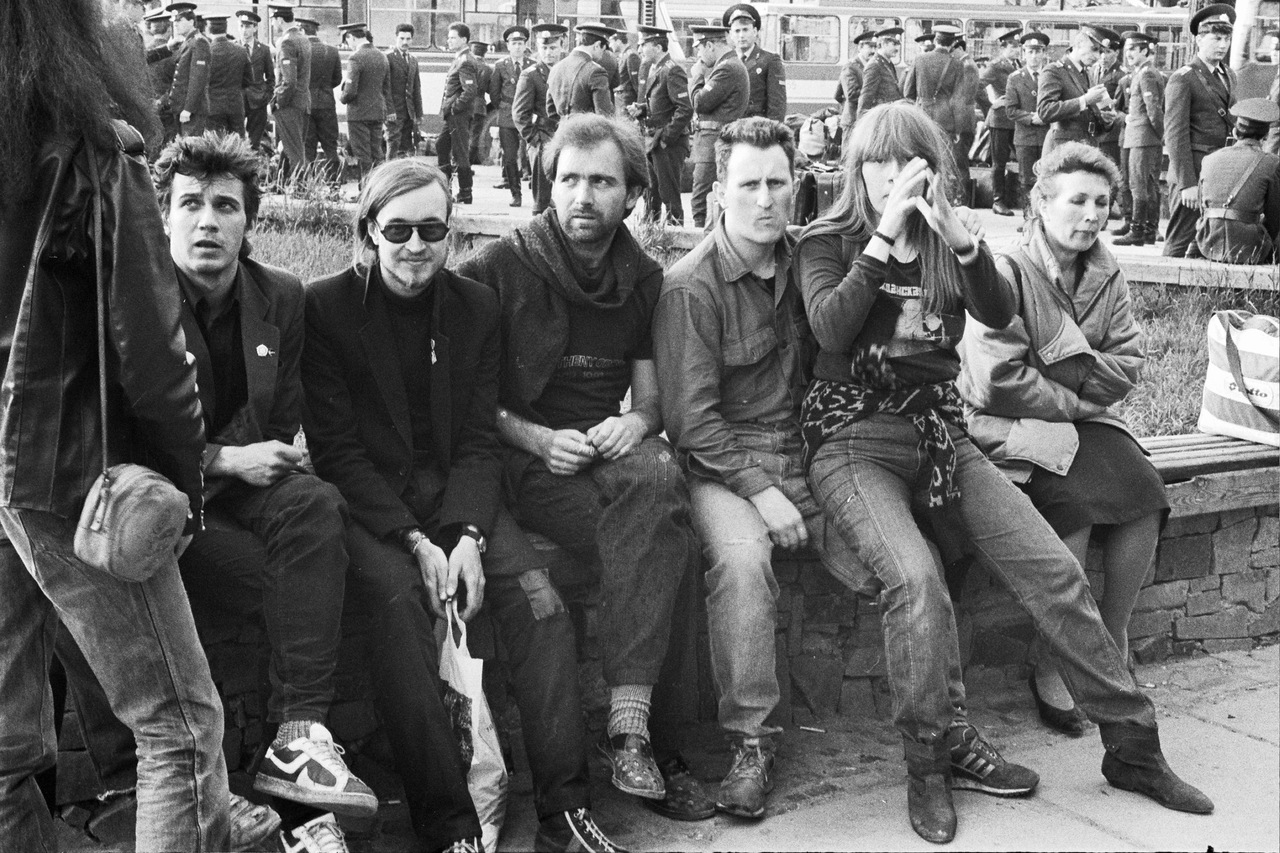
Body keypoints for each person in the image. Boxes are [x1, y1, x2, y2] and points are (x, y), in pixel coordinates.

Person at [793, 101, 1212, 844]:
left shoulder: (943, 242)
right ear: (858, 169)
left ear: (933, 170)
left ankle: (1134, 749)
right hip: (852, 439)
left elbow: (994, 307)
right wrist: (884, 234)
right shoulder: (828, 240)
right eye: (878, 162)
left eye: (910, 162)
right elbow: (831, 326)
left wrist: (961, 243)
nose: (893, 175)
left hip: (940, 432)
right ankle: (930, 763)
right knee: (915, 581)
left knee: (1055, 571)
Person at [303, 157, 628, 853]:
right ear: (368, 231)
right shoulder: (326, 307)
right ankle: (450, 828)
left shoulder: (474, 307)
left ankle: (565, 813)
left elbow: (480, 438)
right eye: (398, 230)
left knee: (540, 603)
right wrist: (416, 542)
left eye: (432, 229)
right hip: (374, 504)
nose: (415, 246)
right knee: (399, 610)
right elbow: (336, 452)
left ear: (450, 233)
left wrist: (470, 536)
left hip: (460, 494)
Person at [0, 1, 229, 847]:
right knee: (179, 726)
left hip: (9, 471)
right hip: (65, 467)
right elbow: (157, 359)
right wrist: (185, 485)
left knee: (3, 748)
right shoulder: (94, 147)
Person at [456, 114, 709, 824]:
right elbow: (467, 402)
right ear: (549, 183)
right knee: (671, 545)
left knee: (658, 483)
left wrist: (634, 422)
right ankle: (654, 742)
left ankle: (634, 730)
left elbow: (649, 401)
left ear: (632, 194)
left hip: (604, 455)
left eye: (602, 181)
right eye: (569, 179)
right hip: (525, 463)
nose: (583, 196)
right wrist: (537, 439)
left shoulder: (641, 277)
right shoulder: (498, 268)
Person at [150, 132, 380, 850]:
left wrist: (251, 459)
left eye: (226, 206)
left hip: (246, 485)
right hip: (162, 497)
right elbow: (122, 434)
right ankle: (277, 804)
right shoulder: (137, 296)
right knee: (288, 586)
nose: (207, 221)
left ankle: (298, 734)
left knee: (316, 504)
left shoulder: (279, 294)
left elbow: (280, 417)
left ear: (250, 220)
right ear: (164, 215)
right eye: (190, 204)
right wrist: (222, 459)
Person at [958, 142, 1170, 742]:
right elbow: (995, 380)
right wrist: (1079, 391)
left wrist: (1058, 370)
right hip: (1007, 424)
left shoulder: (1107, 271)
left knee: (1144, 493)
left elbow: (1126, 364)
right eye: (1077, 201)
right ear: (1041, 204)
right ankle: (1054, 659)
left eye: (1102, 202)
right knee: (1070, 505)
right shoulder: (1004, 271)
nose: (1092, 215)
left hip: (1082, 421)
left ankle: (1111, 635)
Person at [1164, 4, 1238, 258]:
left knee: (1205, 245)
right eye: (1216, 38)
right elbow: (1175, 135)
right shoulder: (1183, 78)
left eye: (1226, 39)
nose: (1223, 45)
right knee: (1178, 242)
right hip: (1193, 171)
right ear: (1199, 39)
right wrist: (1186, 184)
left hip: (1218, 171)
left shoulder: (1229, 75)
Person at [1194, 98, 1280, 263]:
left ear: (1235, 132)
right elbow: (1275, 217)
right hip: (1251, 247)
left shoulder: (1209, 159)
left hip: (1208, 242)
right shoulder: (1272, 163)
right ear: (1266, 135)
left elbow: (1202, 208)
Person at [629, 25, 692, 226]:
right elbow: (662, 104)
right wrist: (642, 109)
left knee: (669, 194)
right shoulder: (656, 68)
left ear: (657, 47)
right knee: (651, 192)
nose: (639, 49)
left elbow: (685, 109)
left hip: (667, 144)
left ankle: (676, 233)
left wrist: (666, 138)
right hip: (654, 141)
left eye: (643, 45)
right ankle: (651, 232)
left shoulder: (672, 70)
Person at [689, 25, 749, 229]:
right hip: (713, 140)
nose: (698, 55)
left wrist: (697, 76)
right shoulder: (729, 65)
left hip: (713, 142)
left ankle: (702, 242)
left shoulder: (727, 68)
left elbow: (700, 102)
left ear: (710, 45)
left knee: (701, 199)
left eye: (699, 49)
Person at [1114, 32, 1165, 247]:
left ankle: (1137, 231)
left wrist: (1159, 134)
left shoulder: (1146, 74)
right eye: (1127, 50)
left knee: (1138, 185)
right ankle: (1149, 231)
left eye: (1133, 49)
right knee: (1148, 185)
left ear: (1145, 51)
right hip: (1141, 136)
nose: (1128, 54)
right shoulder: (1142, 72)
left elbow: (1153, 109)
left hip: (1142, 137)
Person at [1036, 26, 1119, 155]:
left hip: (1086, 147)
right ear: (1079, 44)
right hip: (1062, 149)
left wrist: (1106, 120)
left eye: (1101, 51)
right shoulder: (1054, 70)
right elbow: (1045, 110)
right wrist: (1084, 100)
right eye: (1094, 49)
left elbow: (1089, 118)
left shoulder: (1087, 74)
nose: (1098, 56)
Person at [515, 23, 566, 215]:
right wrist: (535, 140)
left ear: (562, 46)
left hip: (565, 137)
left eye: (553, 47)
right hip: (543, 138)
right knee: (541, 200)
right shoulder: (531, 75)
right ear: (537, 47)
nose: (548, 53)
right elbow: (519, 113)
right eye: (544, 48)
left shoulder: (566, 70)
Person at [340, 23, 390, 186]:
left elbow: (350, 91)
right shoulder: (382, 56)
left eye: (347, 41)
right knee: (377, 153)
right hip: (377, 112)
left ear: (352, 38)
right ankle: (380, 187)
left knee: (362, 154)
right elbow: (386, 87)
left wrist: (342, 98)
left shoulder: (355, 57)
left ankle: (366, 189)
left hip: (358, 113)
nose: (348, 45)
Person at [1007, 31, 1050, 217]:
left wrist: (1046, 117)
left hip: (1048, 135)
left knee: (1047, 177)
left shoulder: (1051, 75)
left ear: (1044, 53)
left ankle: (1044, 218)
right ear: (1023, 53)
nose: (1034, 56)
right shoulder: (1015, 78)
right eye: (1030, 52)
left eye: (1038, 51)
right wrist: (1031, 118)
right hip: (1025, 137)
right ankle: (1029, 218)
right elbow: (1011, 110)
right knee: (1026, 180)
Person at [437, 22, 481, 204]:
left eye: (452, 38)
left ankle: (465, 192)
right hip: (453, 114)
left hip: (458, 115)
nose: (449, 41)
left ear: (463, 40)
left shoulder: (465, 61)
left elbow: (470, 91)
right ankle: (446, 188)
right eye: (449, 38)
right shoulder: (460, 58)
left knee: (460, 152)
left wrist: (455, 108)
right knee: (441, 145)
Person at [982, 28, 1023, 216]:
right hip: (1000, 120)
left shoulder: (1018, 64)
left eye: (1017, 47)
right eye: (1012, 47)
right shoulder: (996, 66)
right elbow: (977, 86)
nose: (1016, 50)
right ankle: (998, 201)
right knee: (999, 162)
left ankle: (1016, 198)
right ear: (1003, 48)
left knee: (1023, 159)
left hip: (1016, 120)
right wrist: (992, 104)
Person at [491, 25, 534, 206]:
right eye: (514, 43)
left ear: (525, 46)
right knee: (509, 157)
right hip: (507, 117)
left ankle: (539, 194)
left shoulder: (533, 66)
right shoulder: (500, 66)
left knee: (534, 155)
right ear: (508, 46)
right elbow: (494, 94)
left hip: (528, 117)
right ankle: (516, 194)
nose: (517, 47)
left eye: (520, 43)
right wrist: (504, 108)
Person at [724, 4, 787, 123]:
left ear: (755, 31)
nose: (741, 35)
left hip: (756, 128)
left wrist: (771, 131)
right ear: (731, 34)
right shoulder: (725, 60)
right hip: (730, 127)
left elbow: (777, 105)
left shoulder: (769, 60)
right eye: (737, 31)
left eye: (745, 30)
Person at [548, 22, 615, 122]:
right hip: (587, 131)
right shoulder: (596, 71)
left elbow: (551, 111)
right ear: (597, 45)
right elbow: (604, 117)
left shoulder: (556, 68)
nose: (602, 54)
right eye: (603, 49)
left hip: (562, 130)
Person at [904, 25, 961, 143]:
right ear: (952, 44)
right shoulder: (957, 64)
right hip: (946, 119)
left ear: (935, 41)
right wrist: (958, 128)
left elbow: (908, 92)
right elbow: (959, 99)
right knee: (944, 150)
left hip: (922, 115)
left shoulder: (919, 59)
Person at [301, 18, 342, 182]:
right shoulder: (332, 51)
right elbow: (337, 79)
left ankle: (308, 185)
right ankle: (334, 185)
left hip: (307, 104)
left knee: (308, 147)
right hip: (327, 104)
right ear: (316, 31)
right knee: (331, 147)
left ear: (303, 31)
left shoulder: (301, 50)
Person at [167, 1, 211, 136]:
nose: (176, 24)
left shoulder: (199, 42)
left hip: (192, 110)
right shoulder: (187, 42)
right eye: (174, 21)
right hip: (181, 107)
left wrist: (188, 109)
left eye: (180, 20)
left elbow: (197, 80)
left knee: (191, 146)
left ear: (191, 21)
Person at [385, 23, 423, 159]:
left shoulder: (413, 60)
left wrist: (419, 113)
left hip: (409, 113)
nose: (405, 42)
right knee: (393, 144)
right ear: (396, 38)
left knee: (406, 147)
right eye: (401, 38)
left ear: (412, 39)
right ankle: (390, 171)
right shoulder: (388, 58)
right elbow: (385, 87)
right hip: (394, 112)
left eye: (408, 39)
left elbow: (416, 88)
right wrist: (389, 110)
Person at [239, 10, 274, 153]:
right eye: (241, 26)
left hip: (258, 100)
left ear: (255, 28)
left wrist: (266, 96)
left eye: (248, 26)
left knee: (255, 141)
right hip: (239, 99)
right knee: (236, 139)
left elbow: (271, 77)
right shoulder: (234, 48)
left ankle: (253, 163)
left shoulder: (264, 50)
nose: (244, 30)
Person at [950, 36, 981, 191]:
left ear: (959, 48)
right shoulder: (967, 64)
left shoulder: (966, 66)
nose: (950, 54)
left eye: (952, 50)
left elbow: (962, 98)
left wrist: (956, 127)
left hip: (961, 123)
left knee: (959, 164)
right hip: (964, 121)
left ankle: (962, 198)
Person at [857, 27, 904, 119]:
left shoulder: (887, 63)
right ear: (883, 44)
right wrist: (861, 120)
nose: (897, 48)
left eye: (898, 44)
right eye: (894, 44)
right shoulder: (874, 65)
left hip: (889, 115)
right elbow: (866, 96)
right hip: (881, 116)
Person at [838, 31, 875, 145]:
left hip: (865, 120)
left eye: (876, 47)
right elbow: (851, 94)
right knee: (849, 154)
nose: (873, 51)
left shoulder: (871, 66)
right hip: (853, 121)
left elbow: (837, 95)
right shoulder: (851, 67)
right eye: (870, 47)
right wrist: (874, 96)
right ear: (860, 47)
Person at [468, 40, 494, 165]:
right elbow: (491, 90)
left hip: (464, 105)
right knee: (475, 136)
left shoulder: (466, 64)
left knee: (462, 135)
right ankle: (468, 164)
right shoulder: (488, 69)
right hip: (479, 106)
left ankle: (459, 163)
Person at [610, 30, 642, 112]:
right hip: (621, 99)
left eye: (611, 42)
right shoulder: (623, 55)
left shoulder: (631, 55)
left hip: (627, 100)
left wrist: (639, 103)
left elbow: (636, 82)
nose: (610, 45)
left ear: (618, 41)